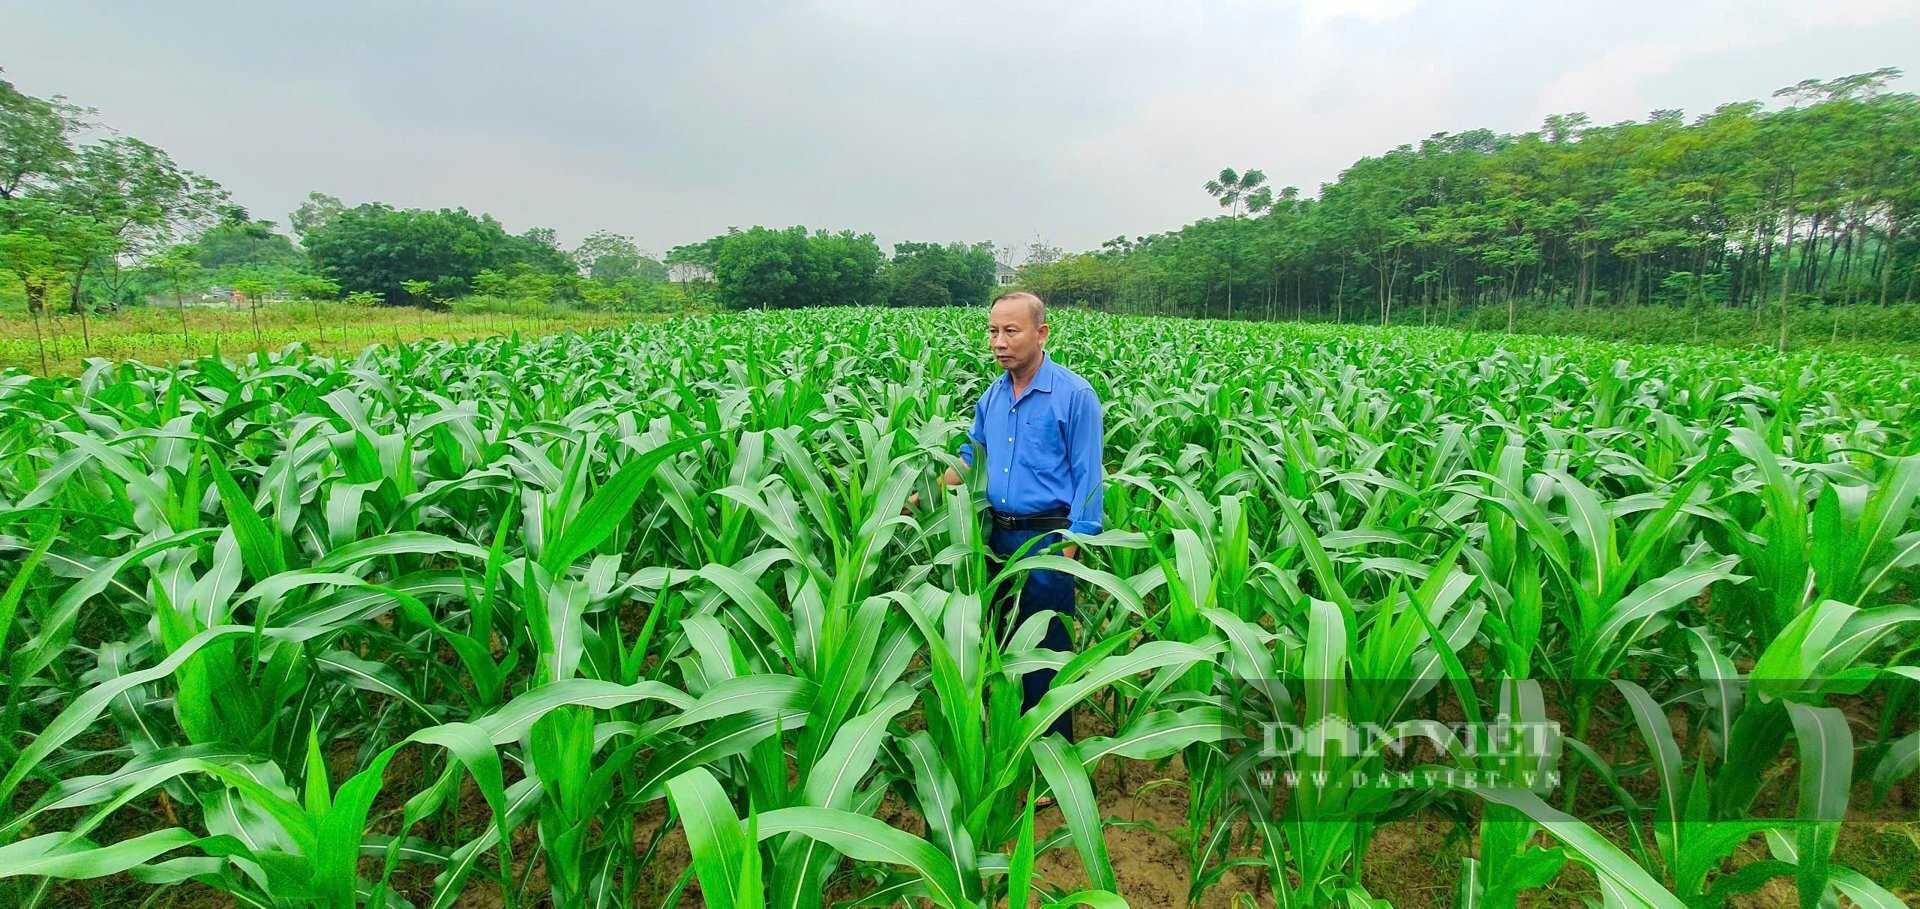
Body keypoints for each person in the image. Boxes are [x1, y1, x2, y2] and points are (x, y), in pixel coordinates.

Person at [908, 290, 1105, 741]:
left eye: (1011, 331)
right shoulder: (993, 396)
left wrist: (1072, 546)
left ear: (1041, 333)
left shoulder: (1074, 396)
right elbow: (971, 455)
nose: (999, 341)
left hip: (1046, 541)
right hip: (995, 537)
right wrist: (922, 495)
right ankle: (1007, 736)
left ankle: (1051, 754)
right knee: (999, 642)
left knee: (1045, 648)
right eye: (993, 331)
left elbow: (1089, 477)